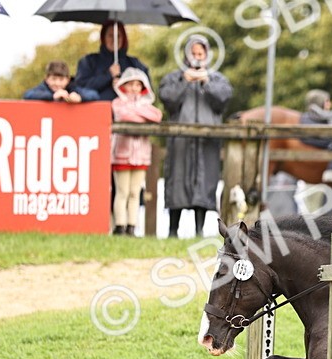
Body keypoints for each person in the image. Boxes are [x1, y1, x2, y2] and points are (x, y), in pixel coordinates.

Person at [158, 35, 232, 239]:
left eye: (201, 54)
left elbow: (223, 99)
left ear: (207, 55)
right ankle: (172, 231)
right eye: (194, 53)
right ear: (187, 55)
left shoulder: (217, 79)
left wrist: (206, 82)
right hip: (180, 142)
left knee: (204, 185)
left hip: (207, 143)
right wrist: (185, 80)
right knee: (177, 184)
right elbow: (167, 99)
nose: (197, 57)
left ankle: (200, 231)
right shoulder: (175, 78)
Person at [110, 67, 163, 236]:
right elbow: (124, 115)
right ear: (123, 85)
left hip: (141, 156)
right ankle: (120, 225)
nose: (134, 88)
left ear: (143, 87)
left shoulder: (147, 105)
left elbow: (157, 115)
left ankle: (132, 226)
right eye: (130, 84)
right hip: (122, 155)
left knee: (135, 192)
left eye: (137, 85)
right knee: (122, 191)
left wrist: (136, 110)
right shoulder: (117, 103)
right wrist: (142, 115)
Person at [73, 22, 149, 103]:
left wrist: (123, 84)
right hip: (97, 111)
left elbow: (146, 90)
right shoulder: (89, 61)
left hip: (128, 113)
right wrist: (108, 75)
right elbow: (80, 87)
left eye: (118, 36)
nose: (114, 39)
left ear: (123, 38)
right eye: (110, 36)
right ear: (103, 38)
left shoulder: (135, 64)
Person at [23, 60, 97, 103]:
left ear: (68, 80)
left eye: (61, 79)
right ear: (46, 79)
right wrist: (52, 96)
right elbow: (28, 94)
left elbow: (94, 94)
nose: (57, 83)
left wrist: (80, 97)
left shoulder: (72, 88)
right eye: (54, 79)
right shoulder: (43, 88)